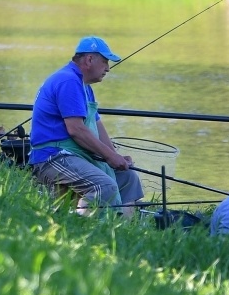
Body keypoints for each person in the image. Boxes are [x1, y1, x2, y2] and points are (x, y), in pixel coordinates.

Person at [28, 37, 143, 212]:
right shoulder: (68, 81)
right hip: (52, 156)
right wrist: (109, 157)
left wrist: (115, 155)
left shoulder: (85, 87)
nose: (108, 68)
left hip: (75, 155)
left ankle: (121, 232)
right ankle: (80, 230)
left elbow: (97, 125)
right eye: (105, 61)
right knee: (104, 187)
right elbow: (76, 130)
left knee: (128, 178)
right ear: (89, 59)